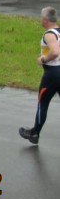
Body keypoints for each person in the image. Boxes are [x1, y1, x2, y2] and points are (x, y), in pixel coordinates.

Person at [19, 7, 60, 145]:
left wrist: (43, 59)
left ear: (46, 20)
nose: (40, 20)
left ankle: (35, 132)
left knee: (43, 103)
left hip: (52, 75)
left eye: (41, 18)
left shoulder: (49, 34)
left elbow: (55, 52)